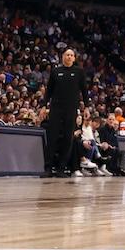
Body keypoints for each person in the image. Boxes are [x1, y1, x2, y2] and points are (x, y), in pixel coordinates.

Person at [42, 49, 86, 177]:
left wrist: (87, 107)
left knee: (68, 139)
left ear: (74, 58)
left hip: (71, 110)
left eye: (71, 55)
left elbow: (84, 91)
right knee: (52, 138)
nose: (69, 57)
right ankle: (48, 168)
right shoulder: (56, 71)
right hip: (56, 109)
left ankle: (61, 168)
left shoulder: (79, 72)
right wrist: (44, 105)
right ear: (63, 57)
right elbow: (48, 90)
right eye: (67, 55)